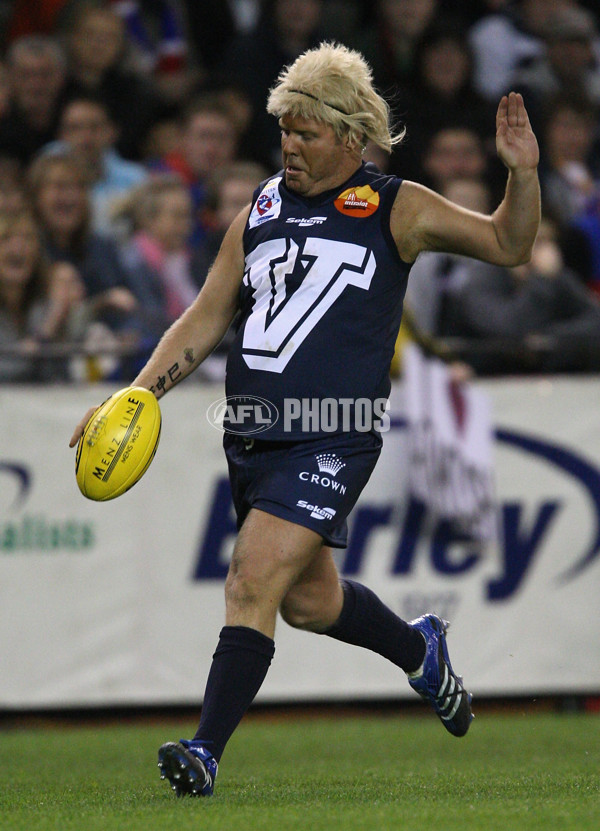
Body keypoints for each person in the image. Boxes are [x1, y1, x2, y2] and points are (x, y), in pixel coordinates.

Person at [69, 42, 541, 797]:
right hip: (252, 435)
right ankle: (420, 649)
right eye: (284, 128)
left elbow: (510, 244)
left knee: (249, 580)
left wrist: (522, 174)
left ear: (352, 138)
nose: (289, 143)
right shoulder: (258, 207)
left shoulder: (399, 206)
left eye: (307, 132)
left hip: (334, 431)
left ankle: (206, 751)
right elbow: (204, 316)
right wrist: (135, 396)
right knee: (310, 600)